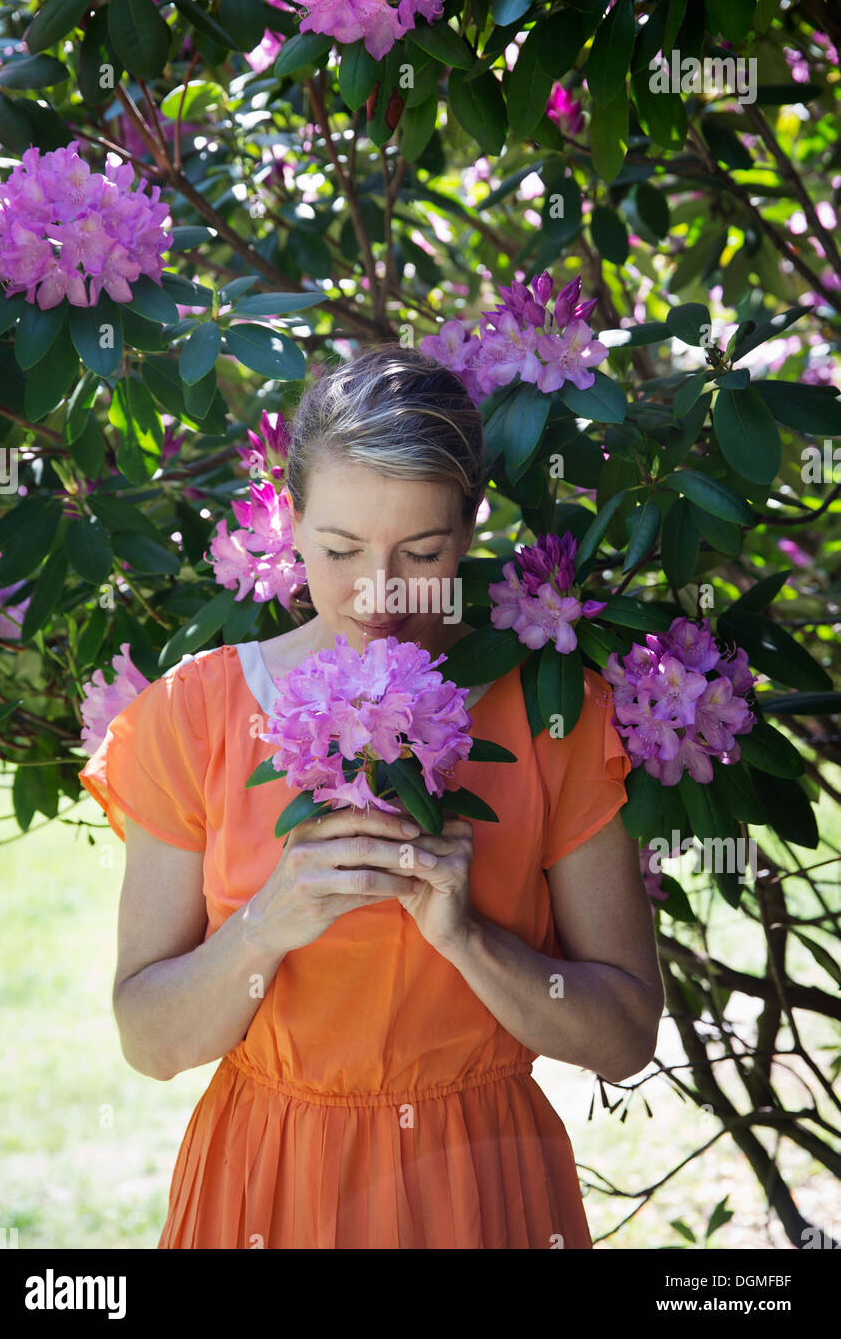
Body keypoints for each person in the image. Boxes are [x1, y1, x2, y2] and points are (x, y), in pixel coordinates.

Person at [79, 343, 664, 1249]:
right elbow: (150, 1042)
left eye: (422, 551)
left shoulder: (555, 713)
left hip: (479, 1183)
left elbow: (625, 1038)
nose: (379, 589)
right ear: (294, 523)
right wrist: (266, 924)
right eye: (341, 549)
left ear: (469, 532)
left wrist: (469, 942)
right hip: (267, 1181)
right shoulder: (194, 716)